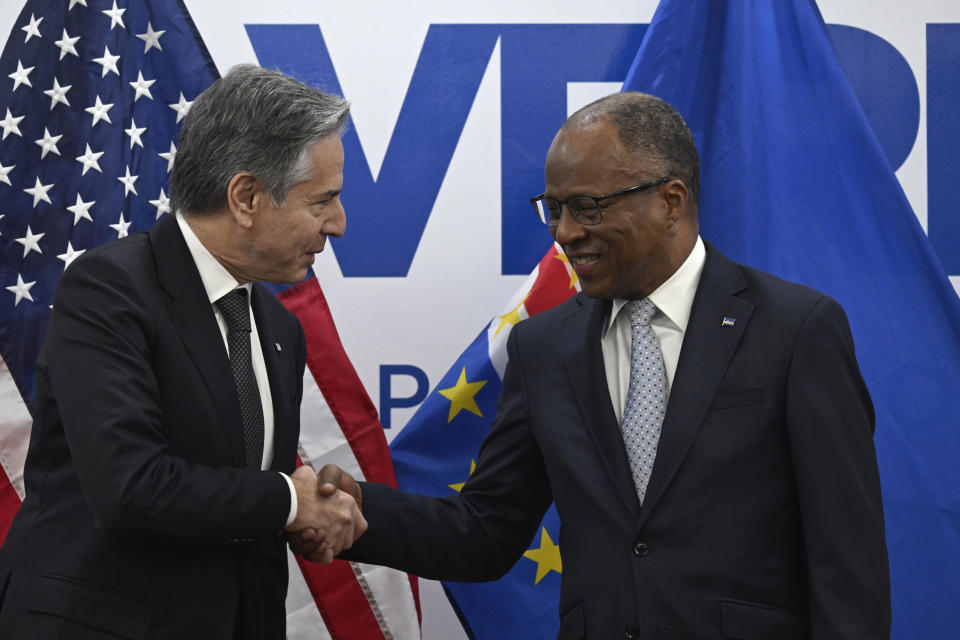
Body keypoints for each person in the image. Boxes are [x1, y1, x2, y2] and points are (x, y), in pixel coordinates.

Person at [300, 92, 891, 639]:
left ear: (671, 200)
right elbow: (485, 532)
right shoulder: (543, 349)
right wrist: (359, 509)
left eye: (587, 207)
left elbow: (847, 557)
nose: (566, 233)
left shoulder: (795, 329)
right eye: (554, 210)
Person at [0, 65, 366, 639]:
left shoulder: (277, 328)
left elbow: (240, 494)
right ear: (246, 197)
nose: (338, 225)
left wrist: (310, 510)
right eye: (322, 201)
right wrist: (286, 501)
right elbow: (131, 486)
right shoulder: (110, 289)